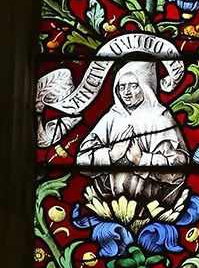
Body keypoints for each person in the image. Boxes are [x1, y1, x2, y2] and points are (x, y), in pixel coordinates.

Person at [77, 58, 189, 219]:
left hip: (155, 210)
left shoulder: (161, 119)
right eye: (121, 87)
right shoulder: (111, 118)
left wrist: (143, 159)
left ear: (146, 86)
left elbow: (180, 167)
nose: (126, 92)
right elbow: (81, 161)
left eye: (133, 85)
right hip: (110, 210)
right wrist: (110, 155)